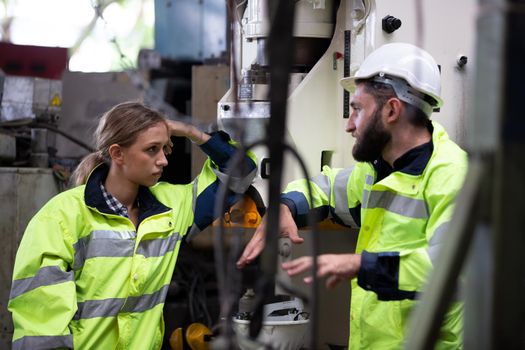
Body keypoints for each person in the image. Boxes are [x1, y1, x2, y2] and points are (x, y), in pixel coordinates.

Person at [237, 42, 467, 349]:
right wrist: (285, 206)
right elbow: (328, 188)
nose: (349, 124)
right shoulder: (377, 170)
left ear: (391, 110)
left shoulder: (452, 175)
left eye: (357, 109)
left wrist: (361, 266)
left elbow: (449, 270)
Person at [8, 101, 257, 349]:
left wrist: (191, 133)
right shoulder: (61, 217)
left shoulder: (172, 208)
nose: (163, 161)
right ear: (118, 153)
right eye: (151, 150)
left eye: (164, 148)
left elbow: (240, 172)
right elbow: (42, 331)